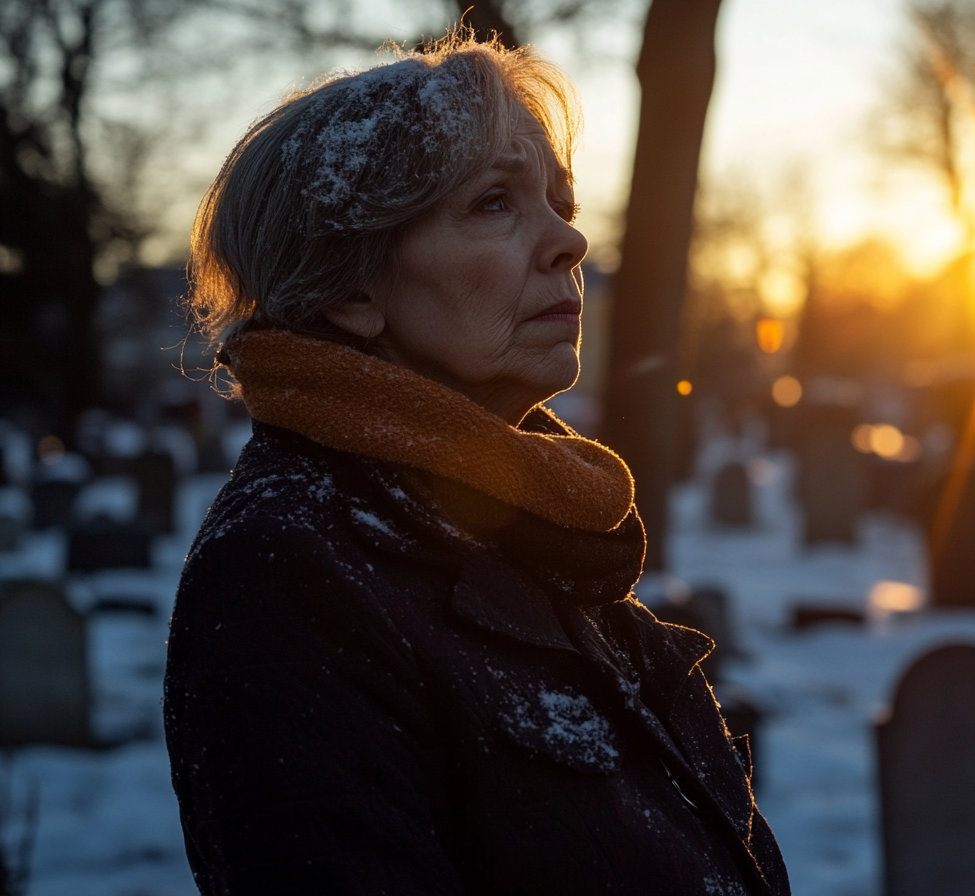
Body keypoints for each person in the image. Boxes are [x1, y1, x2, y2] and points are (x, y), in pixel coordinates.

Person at [164, 35, 789, 896]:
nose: (569, 239)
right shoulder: (291, 573)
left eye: (559, 201)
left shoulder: (533, 523)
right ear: (352, 288)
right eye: (495, 202)